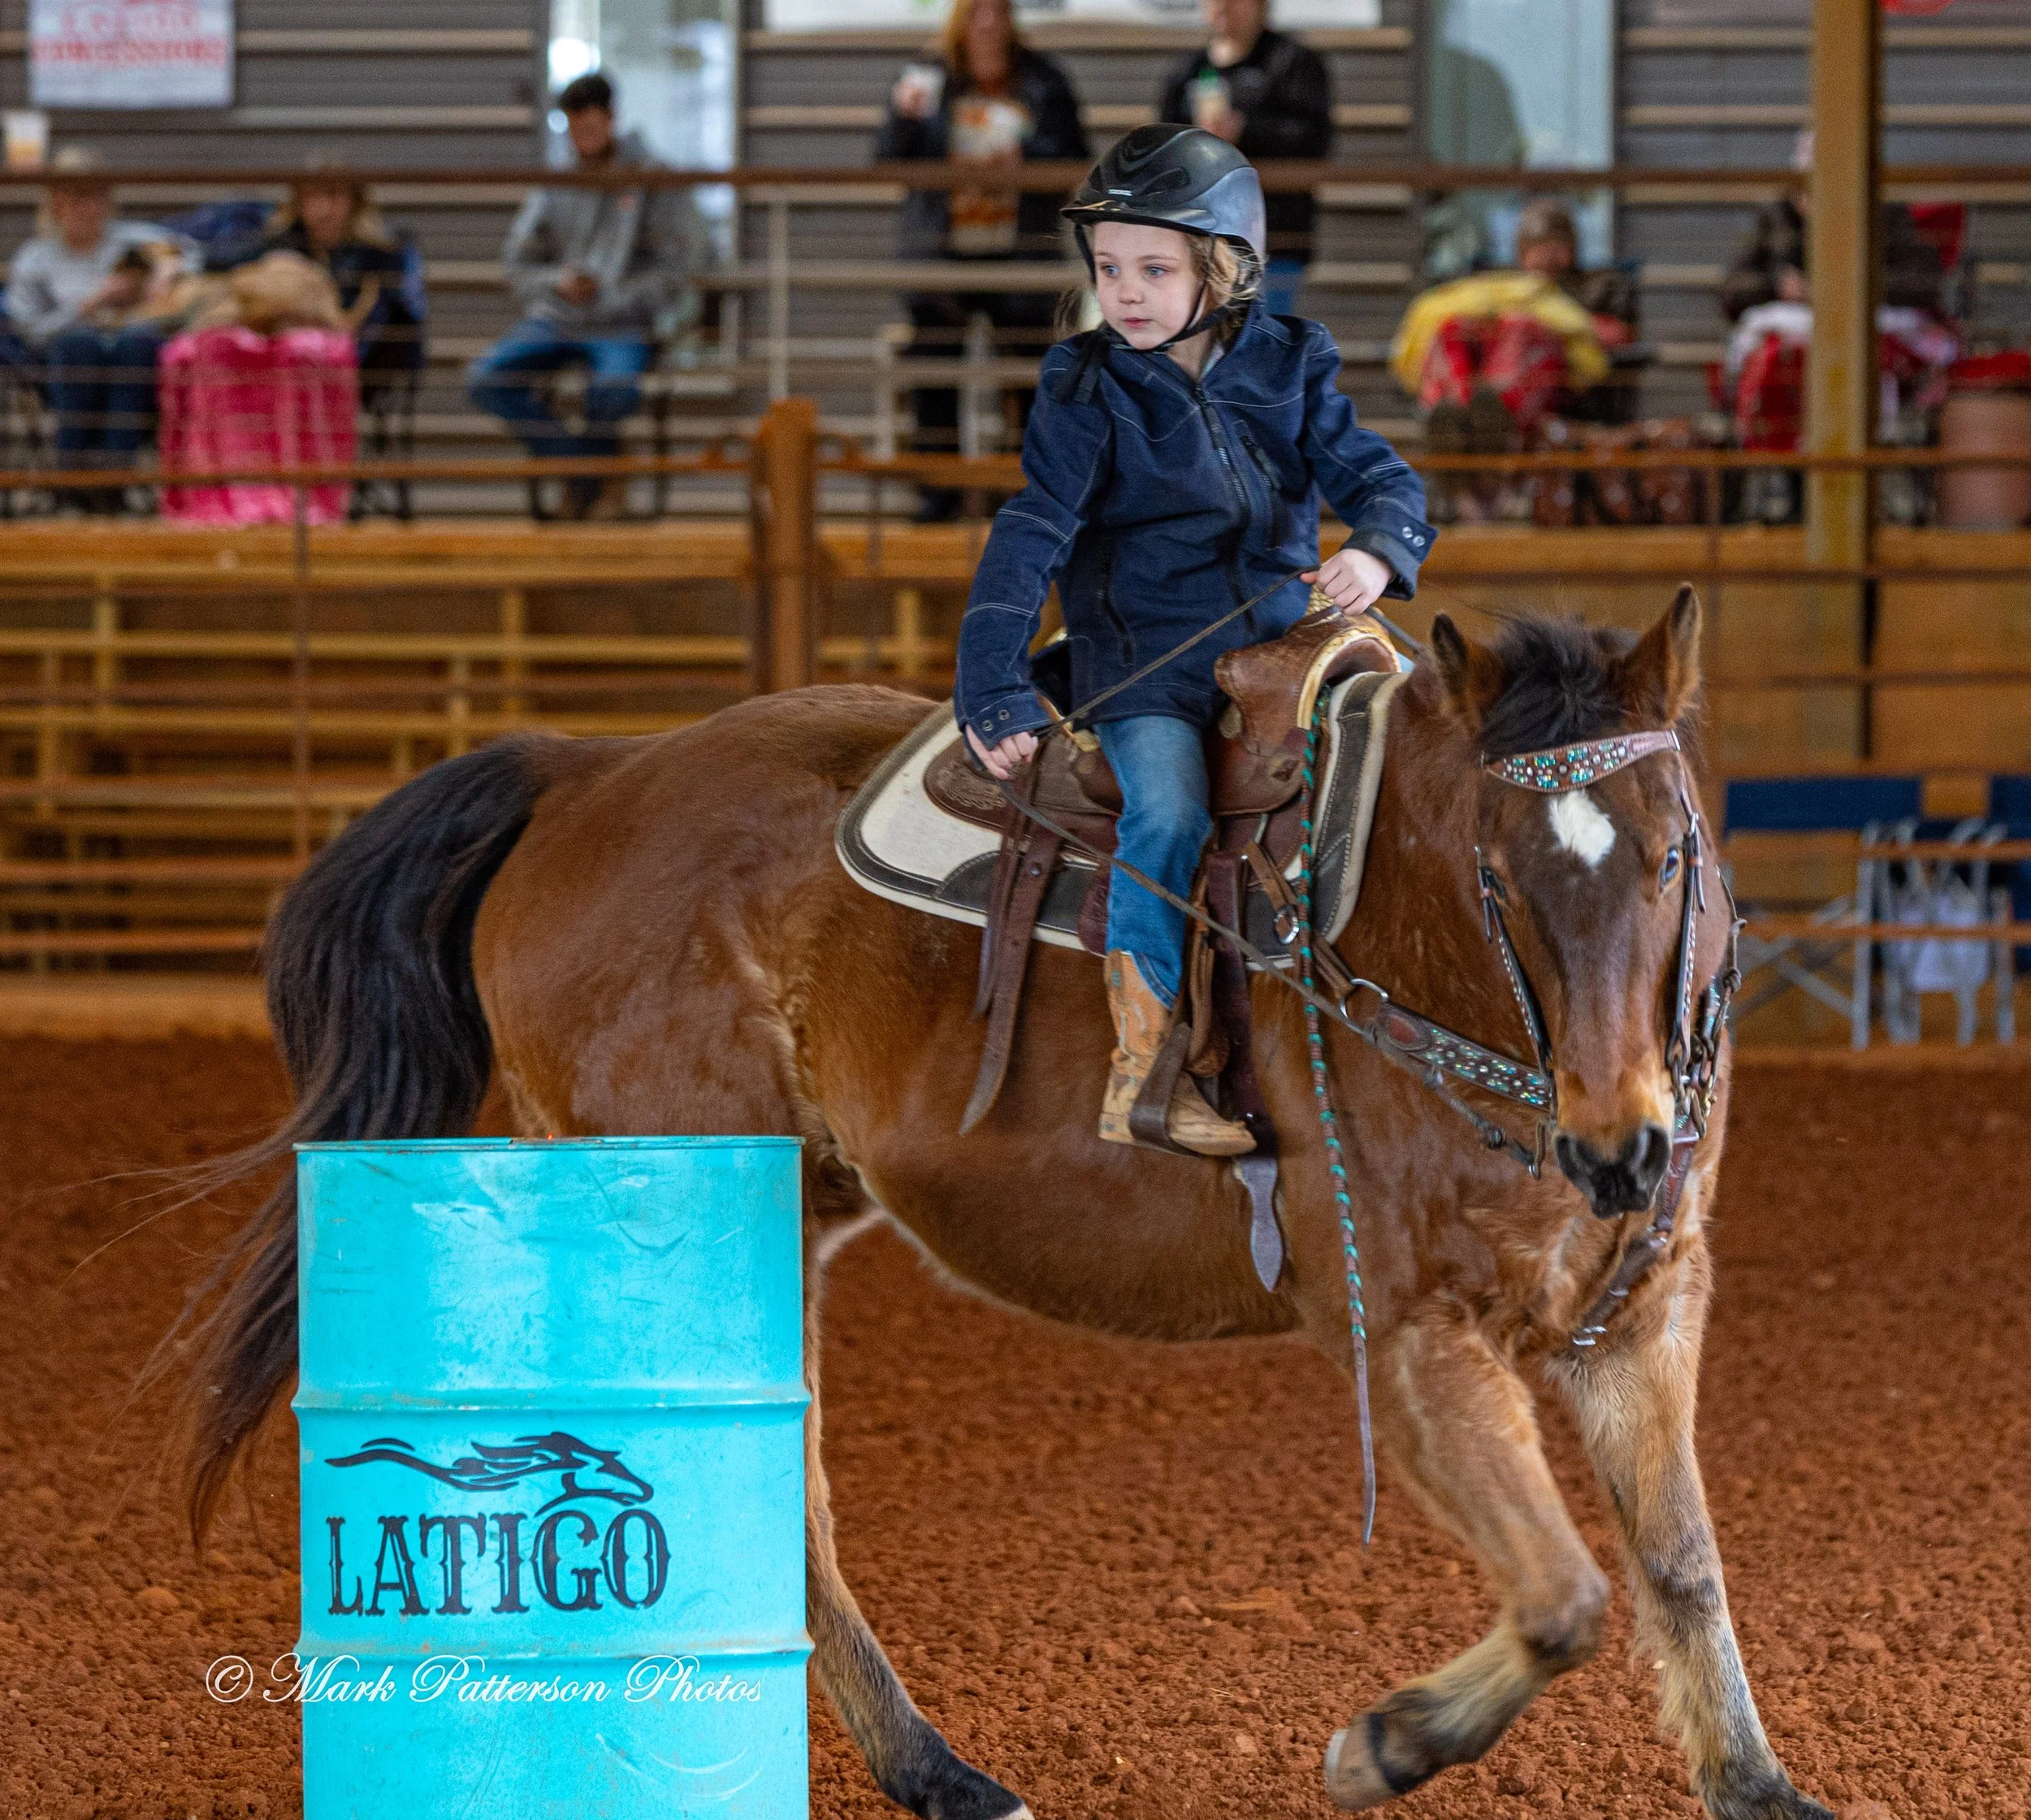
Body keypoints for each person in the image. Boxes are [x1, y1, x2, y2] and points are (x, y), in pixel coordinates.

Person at [955, 125, 1434, 1156]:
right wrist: (989, 684)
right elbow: (1031, 534)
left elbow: (1382, 482)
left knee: (1430, 748)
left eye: (1153, 269)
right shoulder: (1084, 386)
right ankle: (1145, 1067)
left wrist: (1378, 556)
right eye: (1109, 267)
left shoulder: (1291, 360)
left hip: (1291, 645)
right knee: (1166, 816)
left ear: (1223, 269)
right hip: (1146, 669)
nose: (1124, 291)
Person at [876, 0, 1089, 522]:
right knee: (935, 374)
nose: (989, 24)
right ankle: (938, 494)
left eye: (998, 12)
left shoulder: (1045, 80)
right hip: (941, 254)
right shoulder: (926, 77)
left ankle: (1026, 494)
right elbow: (888, 158)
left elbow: (1075, 157)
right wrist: (908, 122)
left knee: (1024, 379)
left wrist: (1025, 159)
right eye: (977, 13)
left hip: (1020, 253)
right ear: (959, 21)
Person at [468, 72, 687, 519]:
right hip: (559, 315)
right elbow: (517, 260)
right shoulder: (556, 181)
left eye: (590, 127)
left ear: (612, 119)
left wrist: (611, 295)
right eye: (574, 129)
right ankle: (589, 474)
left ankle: (583, 482)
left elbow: (672, 268)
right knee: (486, 379)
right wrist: (557, 283)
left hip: (621, 322)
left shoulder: (653, 178)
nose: (582, 139)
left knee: (612, 394)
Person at [1, 148, 197, 511]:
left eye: (95, 196)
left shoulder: (131, 240)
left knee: (138, 343)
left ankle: (114, 480)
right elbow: (28, 330)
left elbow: (189, 252)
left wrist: (163, 273)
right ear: (56, 204)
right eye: (76, 198)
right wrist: (89, 305)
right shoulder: (35, 258)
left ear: (108, 201)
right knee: (79, 343)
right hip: (63, 362)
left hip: (127, 353)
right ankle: (73, 480)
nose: (87, 207)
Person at [1391, 199, 1630, 462]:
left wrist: (1559, 322)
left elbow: (1613, 335)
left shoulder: (1596, 288)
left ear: (1572, 248)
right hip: (1480, 382)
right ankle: (1449, 410)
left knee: (1521, 328)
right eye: (1537, 246)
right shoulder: (1505, 287)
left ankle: (1495, 412)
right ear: (1522, 251)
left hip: (1556, 386)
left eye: (1557, 244)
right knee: (1453, 328)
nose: (1548, 254)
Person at [1155, 0, 1333, 320]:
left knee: (1258, 339)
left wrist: (1245, 130)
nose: (1223, 7)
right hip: (1199, 236)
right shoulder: (1188, 70)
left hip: (1273, 235)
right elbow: (1162, 144)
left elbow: (1314, 139)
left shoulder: (1292, 62)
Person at [212, 156, 427, 394]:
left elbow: (387, 325)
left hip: (357, 366)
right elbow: (228, 260)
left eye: (335, 197)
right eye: (313, 197)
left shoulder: (383, 255)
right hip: (281, 368)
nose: (324, 210)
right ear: (299, 204)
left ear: (354, 204)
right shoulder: (283, 243)